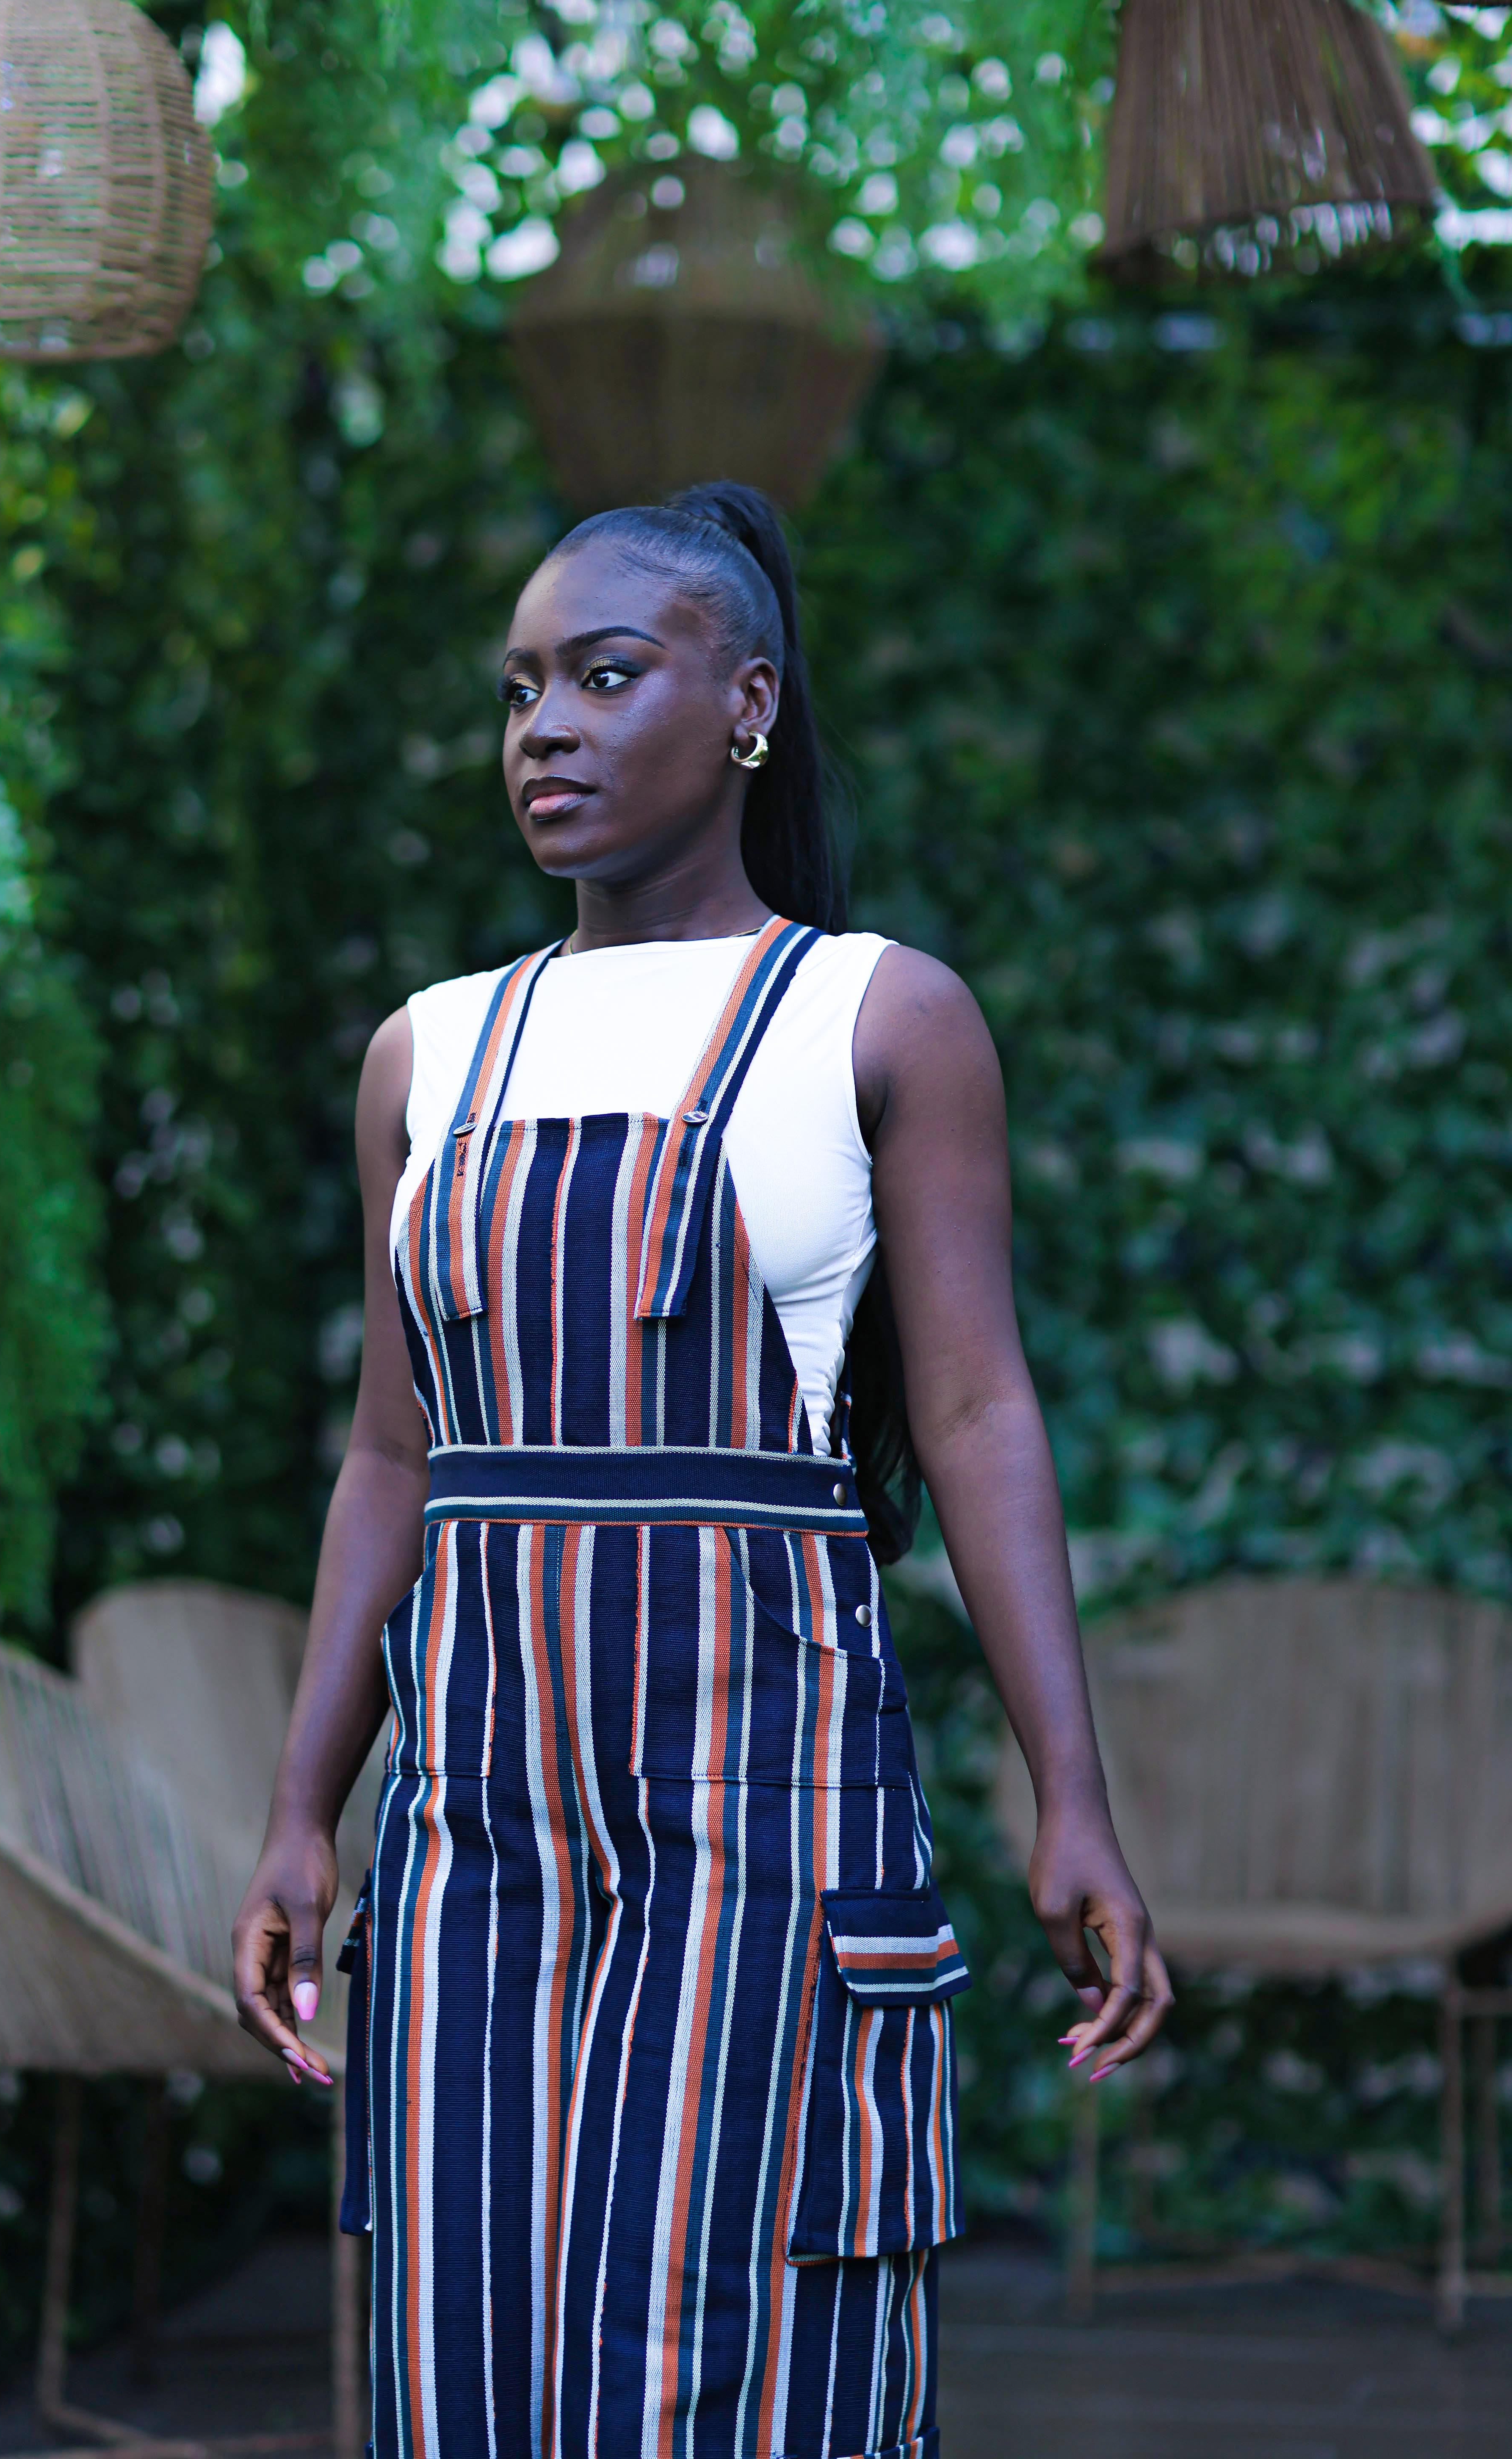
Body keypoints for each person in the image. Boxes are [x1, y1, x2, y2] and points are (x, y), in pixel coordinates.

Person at [233, 482, 1172, 2457]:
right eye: (514, 693)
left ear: (745, 704)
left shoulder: (875, 1015)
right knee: (461, 2368)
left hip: (766, 1835)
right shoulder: (430, 1054)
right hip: (477, 1847)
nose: (541, 732)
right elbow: (392, 1459)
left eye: (598, 676)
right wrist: (303, 1811)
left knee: (751, 2381)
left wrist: (1066, 1794)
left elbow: (978, 1413)